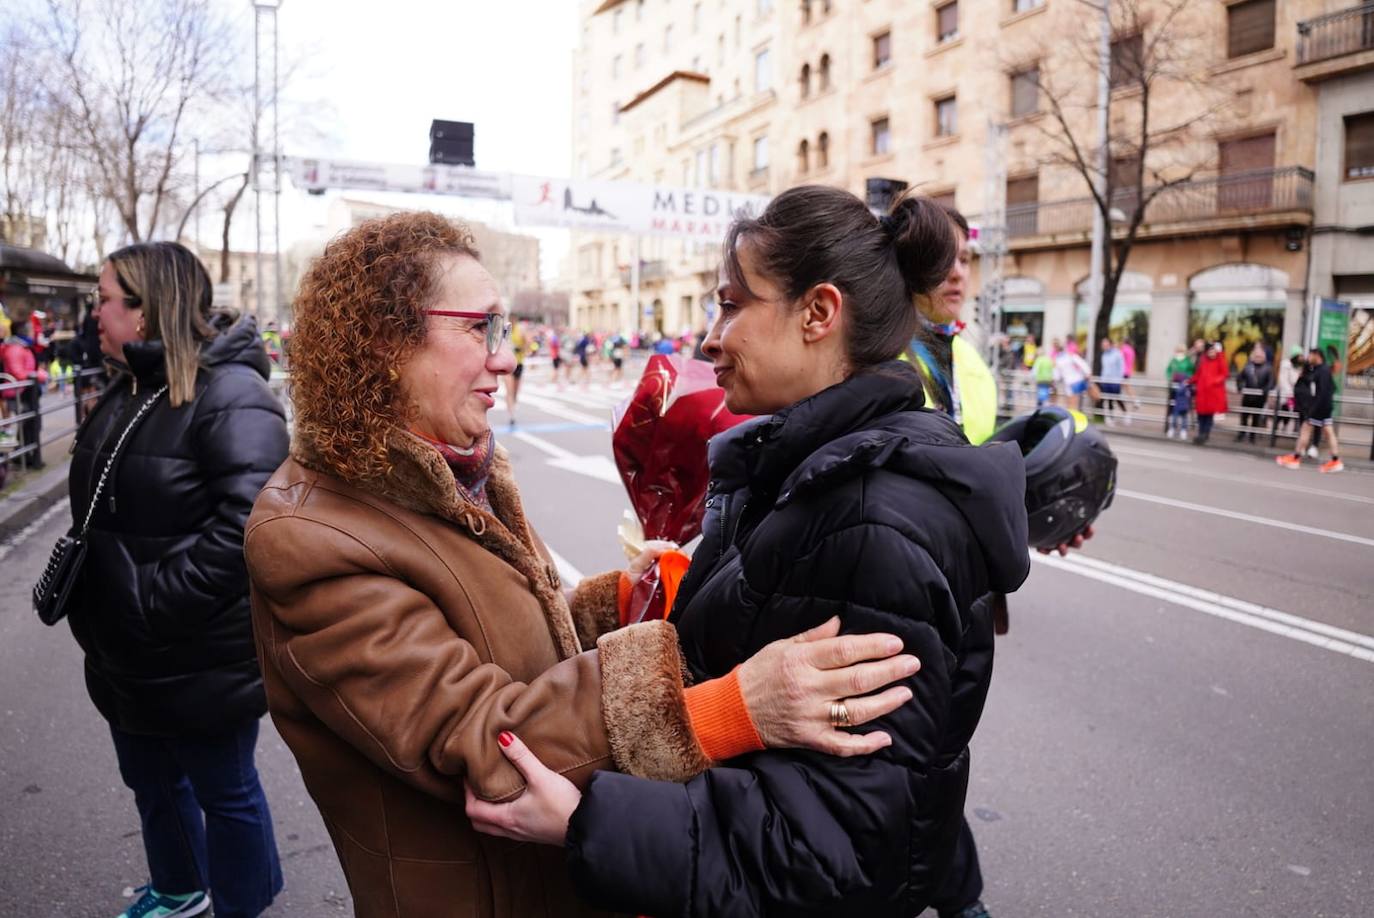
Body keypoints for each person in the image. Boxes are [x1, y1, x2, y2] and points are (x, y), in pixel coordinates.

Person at [244, 211, 920, 918]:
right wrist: (729, 710)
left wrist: (616, 598)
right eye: (482, 329)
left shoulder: (456, 472)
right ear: (385, 343)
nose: (507, 360)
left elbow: (503, 640)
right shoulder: (311, 537)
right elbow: (485, 744)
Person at [466, 188, 1031, 918]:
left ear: (818, 314)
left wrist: (589, 821)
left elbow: (831, 852)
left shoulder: (867, 515)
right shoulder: (800, 470)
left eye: (732, 305)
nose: (708, 339)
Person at [64, 242, 289, 918]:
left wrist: (153, 603)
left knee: (225, 791)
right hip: (125, 651)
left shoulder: (233, 394)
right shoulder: (130, 386)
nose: (94, 314)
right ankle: (180, 891)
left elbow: (250, 525)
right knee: (152, 783)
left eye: (105, 299)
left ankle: (242, 908)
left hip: (195, 653)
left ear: (146, 308)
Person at [1277, 347, 1343, 473]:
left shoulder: (1322, 371)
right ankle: (1335, 460)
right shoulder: (1321, 369)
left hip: (1319, 407)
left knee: (1305, 429)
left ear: (1317, 355)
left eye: (1310, 355)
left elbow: (1323, 392)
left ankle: (1295, 458)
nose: (1308, 357)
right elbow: (1331, 389)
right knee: (1329, 433)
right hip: (1325, 407)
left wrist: (1314, 409)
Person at [1, 312, 48, 468]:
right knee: (30, 424)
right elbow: (17, 371)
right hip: (20, 393)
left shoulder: (21, 346)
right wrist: (37, 375)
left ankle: (28, 455)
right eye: (29, 329)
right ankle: (27, 457)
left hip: (26, 391)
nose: (32, 331)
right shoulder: (15, 348)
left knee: (31, 424)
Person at [1191, 341, 1229, 445]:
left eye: (1213, 351)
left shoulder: (1220, 360)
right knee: (1200, 415)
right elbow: (1198, 375)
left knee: (1208, 415)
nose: (1212, 353)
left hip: (1212, 393)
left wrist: (1214, 381)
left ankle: (1205, 434)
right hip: (1202, 393)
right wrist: (1190, 380)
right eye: (1210, 351)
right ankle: (1201, 433)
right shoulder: (1204, 361)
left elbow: (1225, 374)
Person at [1235, 343, 1273, 443]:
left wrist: (1265, 390)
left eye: (1260, 356)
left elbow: (1271, 382)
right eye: (1256, 356)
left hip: (1259, 398)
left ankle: (1252, 436)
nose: (1258, 358)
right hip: (1247, 396)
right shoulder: (1248, 367)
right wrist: (1240, 387)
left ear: (1263, 357)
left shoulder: (1268, 368)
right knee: (1244, 417)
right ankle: (1241, 434)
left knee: (1256, 418)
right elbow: (1240, 378)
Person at [1165, 343, 1194, 440]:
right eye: (1178, 351)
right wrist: (1170, 377)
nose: (1179, 353)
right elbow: (1168, 370)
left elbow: (1191, 372)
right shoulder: (1173, 360)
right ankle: (1172, 427)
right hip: (1174, 388)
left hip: (1184, 389)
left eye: (1181, 351)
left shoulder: (1188, 361)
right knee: (1173, 409)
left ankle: (1183, 429)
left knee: (1183, 410)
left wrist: (1186, 378)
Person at [1097, 337, 1129, 424]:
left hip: (1115, 381)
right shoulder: (1104, 355)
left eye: (1105, 344)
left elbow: (1121, 367)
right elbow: (1104, 368)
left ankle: (1126, 414)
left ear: (1109, 344)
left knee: (1117, 398)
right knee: (1109, 400)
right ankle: (1111, 418)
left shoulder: (1117, 353)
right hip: (1106, 381)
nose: (1104, 346)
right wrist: (1102, 379)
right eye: (1103, 344)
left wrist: (1120, 379)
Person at [1054, 342, 1092, 412]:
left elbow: (1056, 376)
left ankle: (1074, 419)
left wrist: (1054, 382)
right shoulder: (1070, 355)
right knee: (1076, 403)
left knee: (1071, 405)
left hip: (1069, 383)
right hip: (1078, 380)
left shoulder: (1058, 360)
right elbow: (1082, 364)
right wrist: (1088, 373)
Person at [1276, 345, 1302, 435]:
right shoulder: (1286, 364)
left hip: (1295, 394)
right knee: (1284, 411)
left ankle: (1291, 428)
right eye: (1299, 355)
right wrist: (1289, 393)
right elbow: (1283, 380)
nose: (1301, 357)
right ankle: (1277, 429)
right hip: (1287, 394)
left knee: (1294, 412)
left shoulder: (1297, 366)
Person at [505, 319, 526, 427]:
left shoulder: (521, 330)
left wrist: (522, 347)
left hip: (519, 363)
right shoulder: (504, 329)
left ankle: (513, 408)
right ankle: (511, 415)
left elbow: (528, 346)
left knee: (516, 392)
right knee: (510, 390)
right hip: (508, 364)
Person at [1031, 339, 1056, 407]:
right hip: (1048, 379)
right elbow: (1053, 369)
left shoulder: (1039, 359)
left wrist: (1032, 378)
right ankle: (1045, 406)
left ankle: (1040, 408)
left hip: (1041, 379)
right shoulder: (1048, 359)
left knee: (1041, 394)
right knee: (1046, 393)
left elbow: (1035, 370)